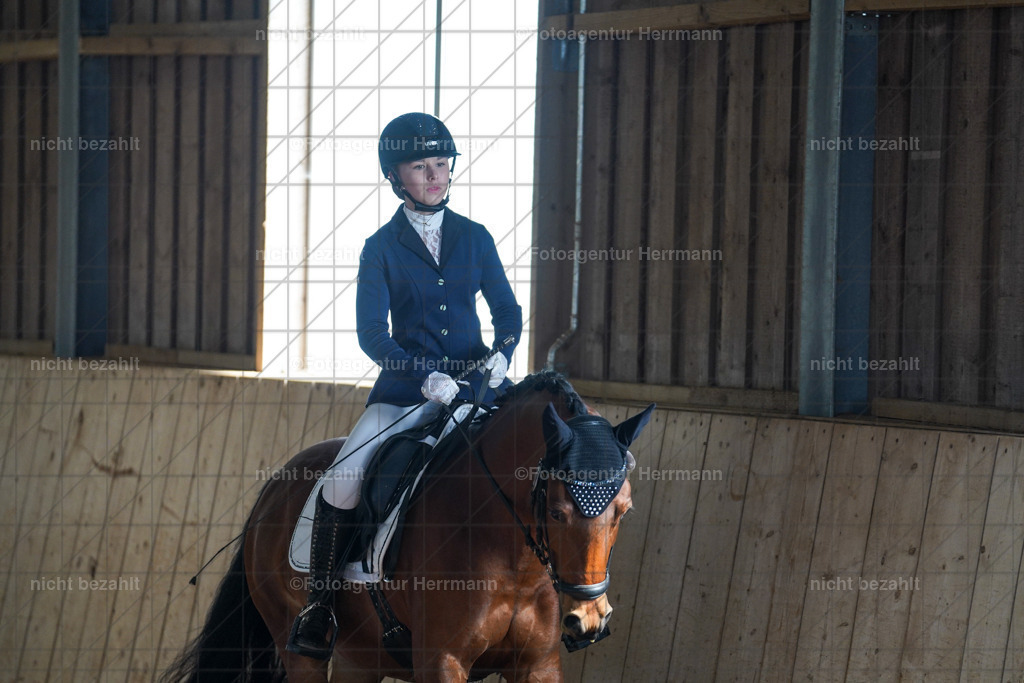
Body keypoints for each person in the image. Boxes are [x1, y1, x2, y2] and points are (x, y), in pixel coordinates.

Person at [286, 112, 523, 659]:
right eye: (421, 166)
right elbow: (372, 334)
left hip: (476, 391)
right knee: (344, 476)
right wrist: (423, 374)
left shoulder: (476, 236)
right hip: (403, 394)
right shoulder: (380, 247)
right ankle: (320, 604)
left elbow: (507, 313)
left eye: (442, 163)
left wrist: (502, 356)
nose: (436, 175)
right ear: (394, 176)